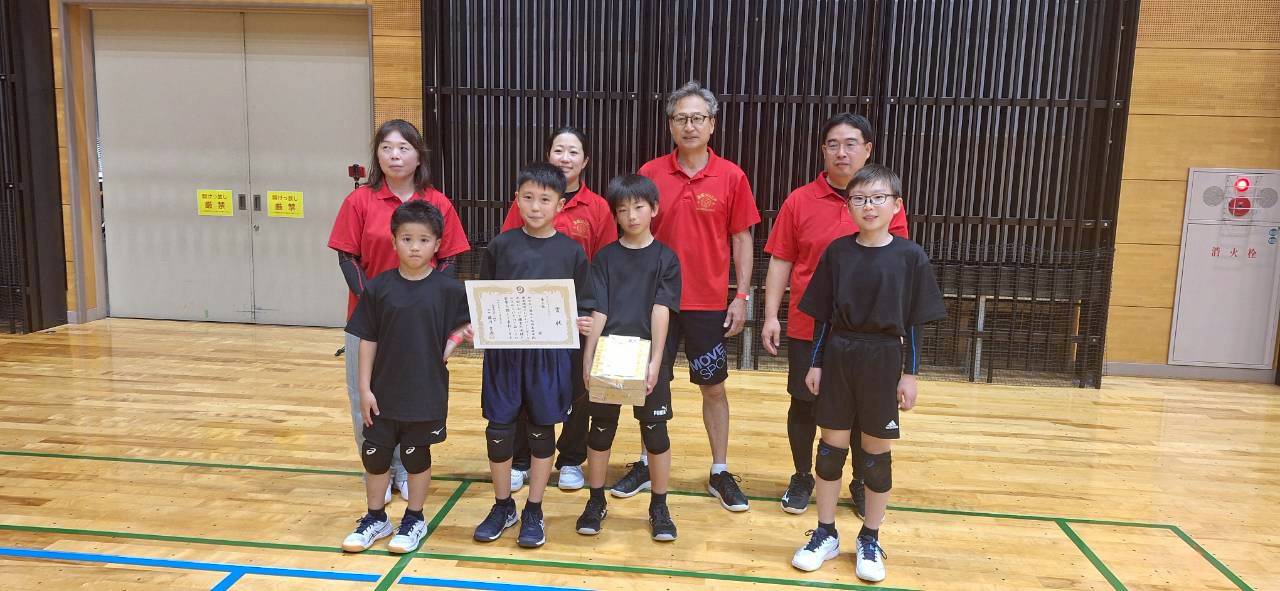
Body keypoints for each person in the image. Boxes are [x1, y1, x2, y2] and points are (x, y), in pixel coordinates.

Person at [789, 164, 946, 582]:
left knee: (875, 458)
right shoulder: (837, 253)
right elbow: (822, 318)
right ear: (849, 206)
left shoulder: (910, 257)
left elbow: (915, 322)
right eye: (859, 199)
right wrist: (816, 362)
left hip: (883, 358)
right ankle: (825, 533)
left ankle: (870, 537)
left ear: (896, 205)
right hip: (840, 354)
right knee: (830, 450)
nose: (869, 206)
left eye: (878, 198)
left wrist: (910, 373)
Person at [612, 81, 760, 513]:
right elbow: (633, 234)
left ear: (712, 124)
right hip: (652, 302)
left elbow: (742, 239)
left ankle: (719, 470)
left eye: (698, 118)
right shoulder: (650, 173)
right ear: (670, 125)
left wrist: (741, 295)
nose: (689, 125)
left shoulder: (732, 176)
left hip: (707, 303)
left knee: (713, 387)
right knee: (647, 384)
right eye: (681, 118)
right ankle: (646, 462)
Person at [762, 113, 909, 515]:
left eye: (850, 144)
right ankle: (802, 476)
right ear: (823, 150)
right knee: (804, 402)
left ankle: (860, 481)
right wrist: (771, 315)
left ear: (868, 149)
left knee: (863, 410)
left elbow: (898, 266)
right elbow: (781, 260)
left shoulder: (884, 203)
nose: (841, 152)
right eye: (833, 144)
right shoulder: (799, 200)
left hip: (867, 334)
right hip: (809, 325)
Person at [328, 119, 470, 503]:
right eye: (386, 147)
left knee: (412, 396)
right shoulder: (359, 201)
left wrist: (424, 305)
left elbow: (449, 259)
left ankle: (407, 469)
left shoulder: (438, 202)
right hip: (369, 319)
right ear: (377, 154)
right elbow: (347, 256)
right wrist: (378, 303)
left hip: (421, 324)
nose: (395, 155)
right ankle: (379, 469)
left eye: (404, 148)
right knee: (365, 395)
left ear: (418, 155)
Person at [339, 200, 472, 555]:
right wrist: (364, 388)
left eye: (424, 240)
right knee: (375, 455)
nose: (415, 247)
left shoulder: (449, 290)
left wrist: (453, 343)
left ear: (437, 244)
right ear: (394, 240)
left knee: (415, 456)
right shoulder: (378, 288)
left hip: (425, 392)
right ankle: (375, 518)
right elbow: (368, 339)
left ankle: (414, 518)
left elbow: (466, 326)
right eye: (407, 239)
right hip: (383, 392)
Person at [472, 162, 593, 549]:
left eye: (545, 199)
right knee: (499, 432)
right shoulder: (500, 246)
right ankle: (503, 505)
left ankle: (535, 509)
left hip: (548, 359)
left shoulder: (571, 252)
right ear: (517, 200)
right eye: (528, 198)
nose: (536, 206)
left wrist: (583, 321)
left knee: (542, 432)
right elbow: (485, 296)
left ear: (560, 204)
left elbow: (585, 303)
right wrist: (477, 321)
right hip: (504, 358)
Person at [502, 126, 616, 493]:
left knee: (577, 387)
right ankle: (522, 459)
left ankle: (570, 458)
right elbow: (508, 254)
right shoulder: (527, 201)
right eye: (558, 150)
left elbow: (604, 264)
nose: (565, 158)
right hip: (528, 316)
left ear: (585, 161)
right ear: (548, 155)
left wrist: (594, 313)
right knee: (526, 385)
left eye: (573, 152)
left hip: (576, 315)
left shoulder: (597, 207)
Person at [576, 174, 682, 541]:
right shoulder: (605, 258)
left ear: (654, 209)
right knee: (601, 428)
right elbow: (599, 309)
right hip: (609, 353)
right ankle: (595, 500)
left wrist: (655, 362)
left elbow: (661, 310)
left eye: (638, 207)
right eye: (623, 210)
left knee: (655, 431)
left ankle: (659, 506)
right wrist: (588, 358)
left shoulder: (666, 258)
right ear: (615, 215)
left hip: (646, 354)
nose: (632, 216)